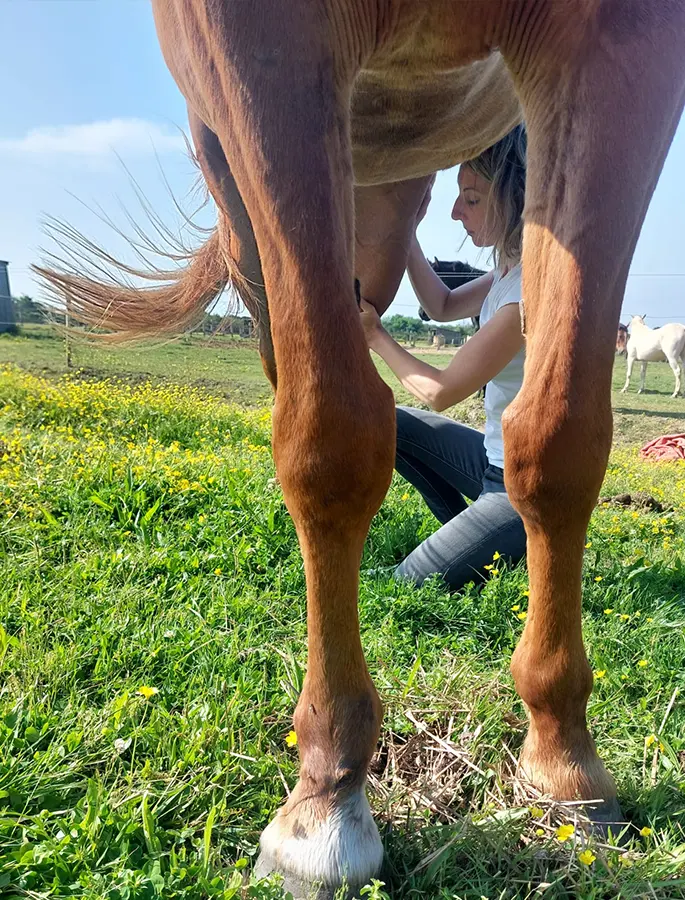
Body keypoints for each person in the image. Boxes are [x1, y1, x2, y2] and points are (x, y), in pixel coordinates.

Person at [360, 125, 527, 590]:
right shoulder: (507, 271)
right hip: (491, 461)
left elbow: (441, 392)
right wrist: (406, 233)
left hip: (520, 491)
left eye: (471, 199)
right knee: (388, 423)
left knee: (397, 586)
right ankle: (473, 538)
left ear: (515, 199)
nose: (456, 212)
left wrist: (375, 335)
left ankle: (499, 540)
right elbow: (442, 305)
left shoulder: (528, 292)